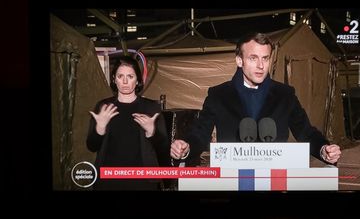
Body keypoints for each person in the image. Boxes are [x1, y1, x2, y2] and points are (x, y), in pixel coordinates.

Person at [170, 32, 341, 165]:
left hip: (275, 179)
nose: (261, 66)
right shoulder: (219, 95)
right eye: (253, 58)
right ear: (239, 60)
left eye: (265, 58)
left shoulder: (285, 94)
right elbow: (200, 133)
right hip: (232, 180)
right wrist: (186, 147)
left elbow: (306, 132)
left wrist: (323, 149)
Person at [87, 56, 170, 190]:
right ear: (114, 79)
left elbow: (163, 148)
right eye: (120, 76)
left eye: (130, 76)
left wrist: (151, 131)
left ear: (137, 80)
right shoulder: (104, 106)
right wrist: (100, 128)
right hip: (108, 179)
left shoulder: (150, 108)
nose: (125, 81)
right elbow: (91, 145)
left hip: (143, 181)